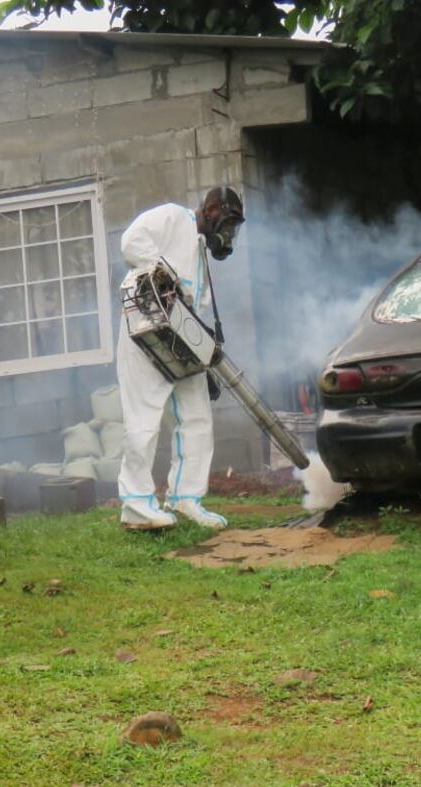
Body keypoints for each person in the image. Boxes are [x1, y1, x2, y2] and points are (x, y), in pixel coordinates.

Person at [115, 187, 245, 531]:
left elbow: (191, 303)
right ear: (212, 208)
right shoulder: (173, 217)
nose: (228, 233)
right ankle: (137, 506)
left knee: (197, 418)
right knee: (143, 419)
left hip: (180, 339)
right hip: (144, 335)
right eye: (228, 223)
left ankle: (186, 499)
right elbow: (131, 241)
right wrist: (162, 272)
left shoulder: (201, 248)